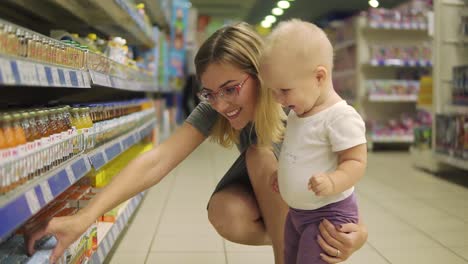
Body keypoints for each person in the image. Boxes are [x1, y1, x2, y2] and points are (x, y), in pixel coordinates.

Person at [26, 22, 368, 264]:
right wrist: (84, 217)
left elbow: (345, 166)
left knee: (261, 155)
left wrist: (357, 232)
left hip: (308, 196)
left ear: (262, 75)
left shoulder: (294, 102)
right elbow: (158, 159)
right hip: (286, 201)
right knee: (230, 202)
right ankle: (296, 234)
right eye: (209, 93)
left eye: (231, 88)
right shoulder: (220, 103)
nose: (220, 104)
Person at [259, 19, 367, 264]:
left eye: (284, 91)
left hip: (328, 215)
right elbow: (301, 151)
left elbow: (356, 162)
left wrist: (333, 180)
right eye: (273, 91)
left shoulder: (340, 116)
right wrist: (284, 173)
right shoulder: (300, 111)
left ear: (319, 77)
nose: (278, 100)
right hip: (297, 213)